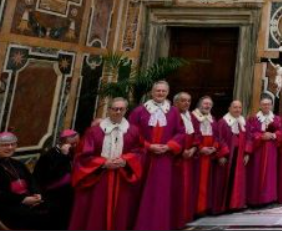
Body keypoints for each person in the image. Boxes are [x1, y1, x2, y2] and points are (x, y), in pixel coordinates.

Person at [69, 98, 144, 230]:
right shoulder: (94, 131)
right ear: (108, 110)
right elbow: (82, 156)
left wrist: (125, 160)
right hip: (99, 178)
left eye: (121, 109)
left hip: (122, 178)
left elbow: (140, 152)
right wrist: (103, 163)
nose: (118, 112)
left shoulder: (133, 131)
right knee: (97, 211)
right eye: (115, 109)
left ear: (126, 110)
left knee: (120, 211)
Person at [128, 81, 183, 230]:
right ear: (152, 92)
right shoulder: (139, 111)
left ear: (168, 93)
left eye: (163, 91)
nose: (160, 93)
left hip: (165, 159)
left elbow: (180, 132)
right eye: (158, 91)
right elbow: (131, 134)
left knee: (161, 193)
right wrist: (148, 146)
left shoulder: (174, 112)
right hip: (143, 157)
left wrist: (169, 146)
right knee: (140, 192)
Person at [0, 132, 51, 230]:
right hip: (5, 206)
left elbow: (32, 181)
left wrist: (36, 193)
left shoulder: (17, 163)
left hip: (27, 201)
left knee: (52, 209)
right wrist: (22, 200)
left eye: (13, 144)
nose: (10, 147)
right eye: (5, 145)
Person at [34, 129, 78, 229]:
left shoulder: (72, 152)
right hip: (54, 194)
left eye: (76, 143)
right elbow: (50, 175)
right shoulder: (48, 155)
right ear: (63, 141)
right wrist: (63, 156)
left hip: (69, 191)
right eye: (72, 143)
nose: (74, 145)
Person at [212, 100, 249, 214]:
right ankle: (224, 206)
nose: (237, 110)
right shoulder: (223, 122)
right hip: (228, 155)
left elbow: (249, 137)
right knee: (225, 181)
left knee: (236, 181)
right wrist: (222, 154)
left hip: (239, 155)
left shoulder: (242, 122)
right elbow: (218, 139)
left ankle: (235, 204)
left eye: (239, 107)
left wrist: (247, 153)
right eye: (235, 107)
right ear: (229, 108)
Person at [246, 97, 280, 207]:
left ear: (271, 106)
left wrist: (273, 135)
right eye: (264, 104)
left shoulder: (276, 119)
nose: (266, 106)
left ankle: (268, 198)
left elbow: (281, 132)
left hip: (271, 150)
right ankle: (255, 199)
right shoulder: (253, 119)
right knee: (256, 173)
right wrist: (261, 137)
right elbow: (249, 133)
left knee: (269, 174)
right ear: (260, 106)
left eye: (268, 104)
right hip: (258, 151)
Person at [173, 92, 200, 228]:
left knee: (187, 189)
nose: (187, 103)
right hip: (175, 160)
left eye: (189, 101)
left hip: (189, 159)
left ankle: (185, 217)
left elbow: (197, 135)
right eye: (183, 100)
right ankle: (175, 219)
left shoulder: (191, 117)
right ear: (175, 102)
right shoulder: (171, 116)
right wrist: (180, 150)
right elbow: (169, 135)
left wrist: (193, 149)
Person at [192, 96, 219, 216]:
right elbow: (192, 135)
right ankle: (195, 209)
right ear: (199, 105)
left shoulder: (212, 119)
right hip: (197, 156)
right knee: (196, 182)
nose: (207, 106)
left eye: (209, 104)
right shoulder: (192, 117)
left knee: (206, 183)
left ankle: (204, 208)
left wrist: (214, 147)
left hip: (209, 156)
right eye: (205, 104)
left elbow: (217, 136)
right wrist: (200, 147)